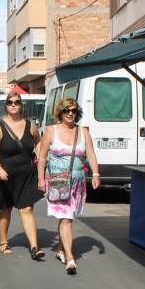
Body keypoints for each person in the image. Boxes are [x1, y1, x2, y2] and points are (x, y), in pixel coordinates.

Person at [36, 97, 101, 275]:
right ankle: (70, 258)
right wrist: (41, 179)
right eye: (66, 110)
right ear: (60, 112)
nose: (70, 113)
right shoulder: (51, 131)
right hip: (58, 182)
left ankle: (60, 249)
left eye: (73, 110)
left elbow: (91, 155)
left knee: (67, 218)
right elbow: (42, 157)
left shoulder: (83, 132)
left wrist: (95, 174)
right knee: (65, 219)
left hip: (77, 182)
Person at [0, 91, 45, 260]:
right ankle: (4, 242)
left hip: (26, 174)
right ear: (6, 105)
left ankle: (34, 247)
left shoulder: (30, 125)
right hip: (5, 175)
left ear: (21, 105)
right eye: (10, 102)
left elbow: (39, 142)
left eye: (16, 102)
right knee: (5, 208)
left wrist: (39, 157)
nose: (13, 104)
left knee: (26, 209)